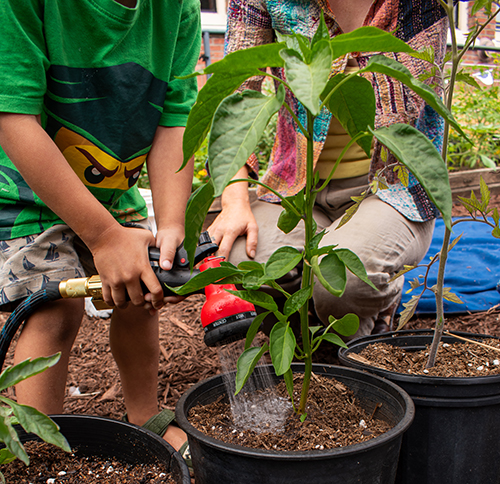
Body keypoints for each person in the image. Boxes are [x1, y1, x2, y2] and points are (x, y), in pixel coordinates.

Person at [0, 0, 201, 453]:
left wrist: (170, 224)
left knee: (142, 289)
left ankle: (146, 415)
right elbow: (14, 119)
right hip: (24, 195)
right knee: (53, 305)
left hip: (112, 194)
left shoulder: (179, 11)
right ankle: (43, 444)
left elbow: (175, 121)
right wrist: (105, 237)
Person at [208, 0, 449, 338]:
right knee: (243, 261)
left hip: (392, 189)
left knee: (345, 280)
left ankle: (370, 317)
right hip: (298, 185)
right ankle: (307, 345)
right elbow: (234, 89)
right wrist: (234, 200)